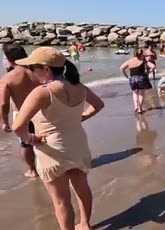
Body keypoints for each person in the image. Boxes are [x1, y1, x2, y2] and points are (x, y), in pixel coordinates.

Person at [11, 46, 104, 230]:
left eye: (32, 68)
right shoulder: (79, 87)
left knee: (61, 201)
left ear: (46, 69)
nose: (30, 72)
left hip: (52, 151)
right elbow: (98, 105)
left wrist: (31, 140)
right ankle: (85, 225)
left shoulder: (42, 92)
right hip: (78, 144)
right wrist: (81, 117)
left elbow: (17, 127)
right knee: (82, 189)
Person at [0, 45, 39, 177]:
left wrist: (5, 122)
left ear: (10, 60)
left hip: (23, 114)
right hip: (42, 111)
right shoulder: (38, 72)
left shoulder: (7, 78)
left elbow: (4, 103)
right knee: (46, 138)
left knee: (26, 144)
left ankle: (32, 170)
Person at [120, 48, 155, 114]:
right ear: (141, 54)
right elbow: (153, 66)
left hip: (132, 79)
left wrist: (127, 76)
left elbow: (121, 68)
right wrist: (148, 72)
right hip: (141, 78)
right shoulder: (143, 60)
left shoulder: (130, 60)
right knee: (141, 94)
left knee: (135, 93)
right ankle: (140, 109)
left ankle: (136, 107)